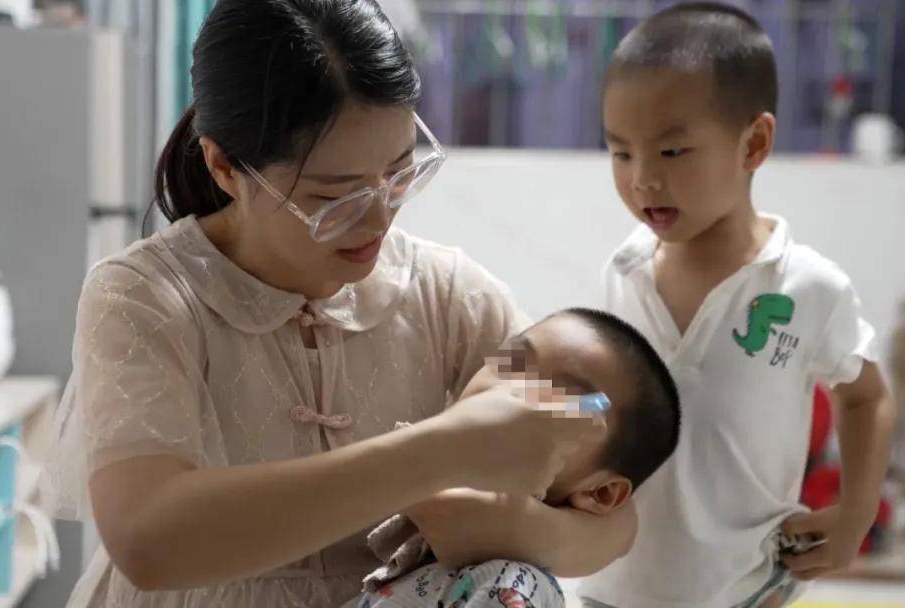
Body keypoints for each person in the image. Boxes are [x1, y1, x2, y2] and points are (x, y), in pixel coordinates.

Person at [44, 1, 635, 606]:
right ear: (225, 166)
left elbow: (611, 522)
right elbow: (148, 540)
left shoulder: (452, 300)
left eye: (401, 171)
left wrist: (511, 529)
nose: (380, 218)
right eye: (335, 196)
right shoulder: (145, 297)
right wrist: (443, 450)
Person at [578, 3, 895, 607]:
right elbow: (603, 405)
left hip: (746, 589)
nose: (642, 178)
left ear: (754, 144)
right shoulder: (622, 272)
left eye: (671, 153)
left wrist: (854, 514)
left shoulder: (808, 287)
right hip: (610, 588)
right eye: (621, 153)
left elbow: (867, 395)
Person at [356, 308, 680, 608]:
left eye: (560, 398)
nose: (510, 392)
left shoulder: (507, 589)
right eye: (513, 362)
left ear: (602, 493)